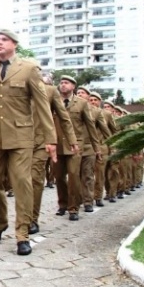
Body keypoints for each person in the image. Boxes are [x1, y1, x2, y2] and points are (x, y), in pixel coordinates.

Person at [0, 29, 56, 256]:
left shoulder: (28, 69)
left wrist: (50, 139)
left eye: (4, 40)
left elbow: (43, 106)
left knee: (22, 182)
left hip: (21, 137)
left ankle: (22, 234)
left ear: (14, 44)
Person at [30, 73, 77, 235]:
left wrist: (72, 140)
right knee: (20, 182)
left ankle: (32, 219)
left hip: (41, 141)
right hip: (18, 141)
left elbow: (64, 118)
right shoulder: (18, 88)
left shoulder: (50, 92)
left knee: (36, 179)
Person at [55, 76, 99, 221]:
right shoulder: (54, 101)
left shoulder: (81, 103)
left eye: (66, 83)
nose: (63, 85)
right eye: (61, 83)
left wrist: (96, 147)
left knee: (74, 176)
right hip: (58, 145)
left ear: (73, 86)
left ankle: (73, 208)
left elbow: (91, 126)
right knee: (59, 177)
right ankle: (63, 204)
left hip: (75, 146)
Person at [76, 85, 109, 212]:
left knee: (88, 175)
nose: (80, 94)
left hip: (89, 148)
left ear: (87, 96)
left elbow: (105, 131)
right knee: (74, 176)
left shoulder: (96, 112)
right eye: (78, 92)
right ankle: (76, 200)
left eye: (83, 93)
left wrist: (112, 145)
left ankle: (88, 201)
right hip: (74, 147)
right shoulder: (70, 108)